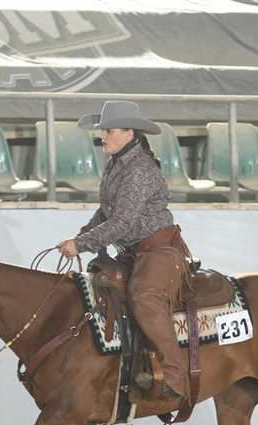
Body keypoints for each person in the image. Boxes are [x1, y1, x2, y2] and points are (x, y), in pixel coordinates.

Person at [57, 100, 191, 402]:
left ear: (129, 133)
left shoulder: (139, 170)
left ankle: (175, 376)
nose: (103, 136)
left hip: (158, 251)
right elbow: (106, 212)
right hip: (134, 251)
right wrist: (82, 236)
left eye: (109, 131)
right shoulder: (117, 163)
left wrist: (81, 244)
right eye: (103, 131)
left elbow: (122, 222)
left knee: (144, 297)